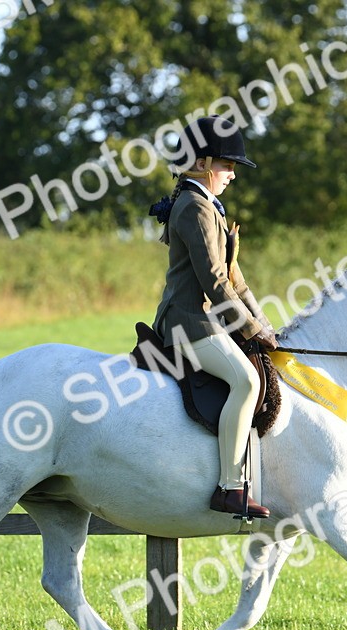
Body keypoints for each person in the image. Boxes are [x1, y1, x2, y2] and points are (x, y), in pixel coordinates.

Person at [148, 115, 278, 519]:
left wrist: (265, 327)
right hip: (188, 323)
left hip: (204, 320)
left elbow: (236, 282)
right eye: (227, 165)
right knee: (246, 380)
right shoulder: (194, 207)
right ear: (202, 163)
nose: (232, 175)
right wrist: (250, 329)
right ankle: (230, 488)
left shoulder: (209, 207)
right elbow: (215, 283)